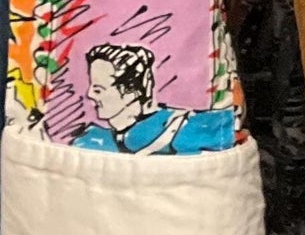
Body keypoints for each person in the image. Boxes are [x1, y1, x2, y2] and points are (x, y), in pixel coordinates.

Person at [74, 41, 234, 153]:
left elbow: (225, 130)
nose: (89, 94)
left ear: (131, 92)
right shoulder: (90, 138)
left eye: (98, 89)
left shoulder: (178, 125)